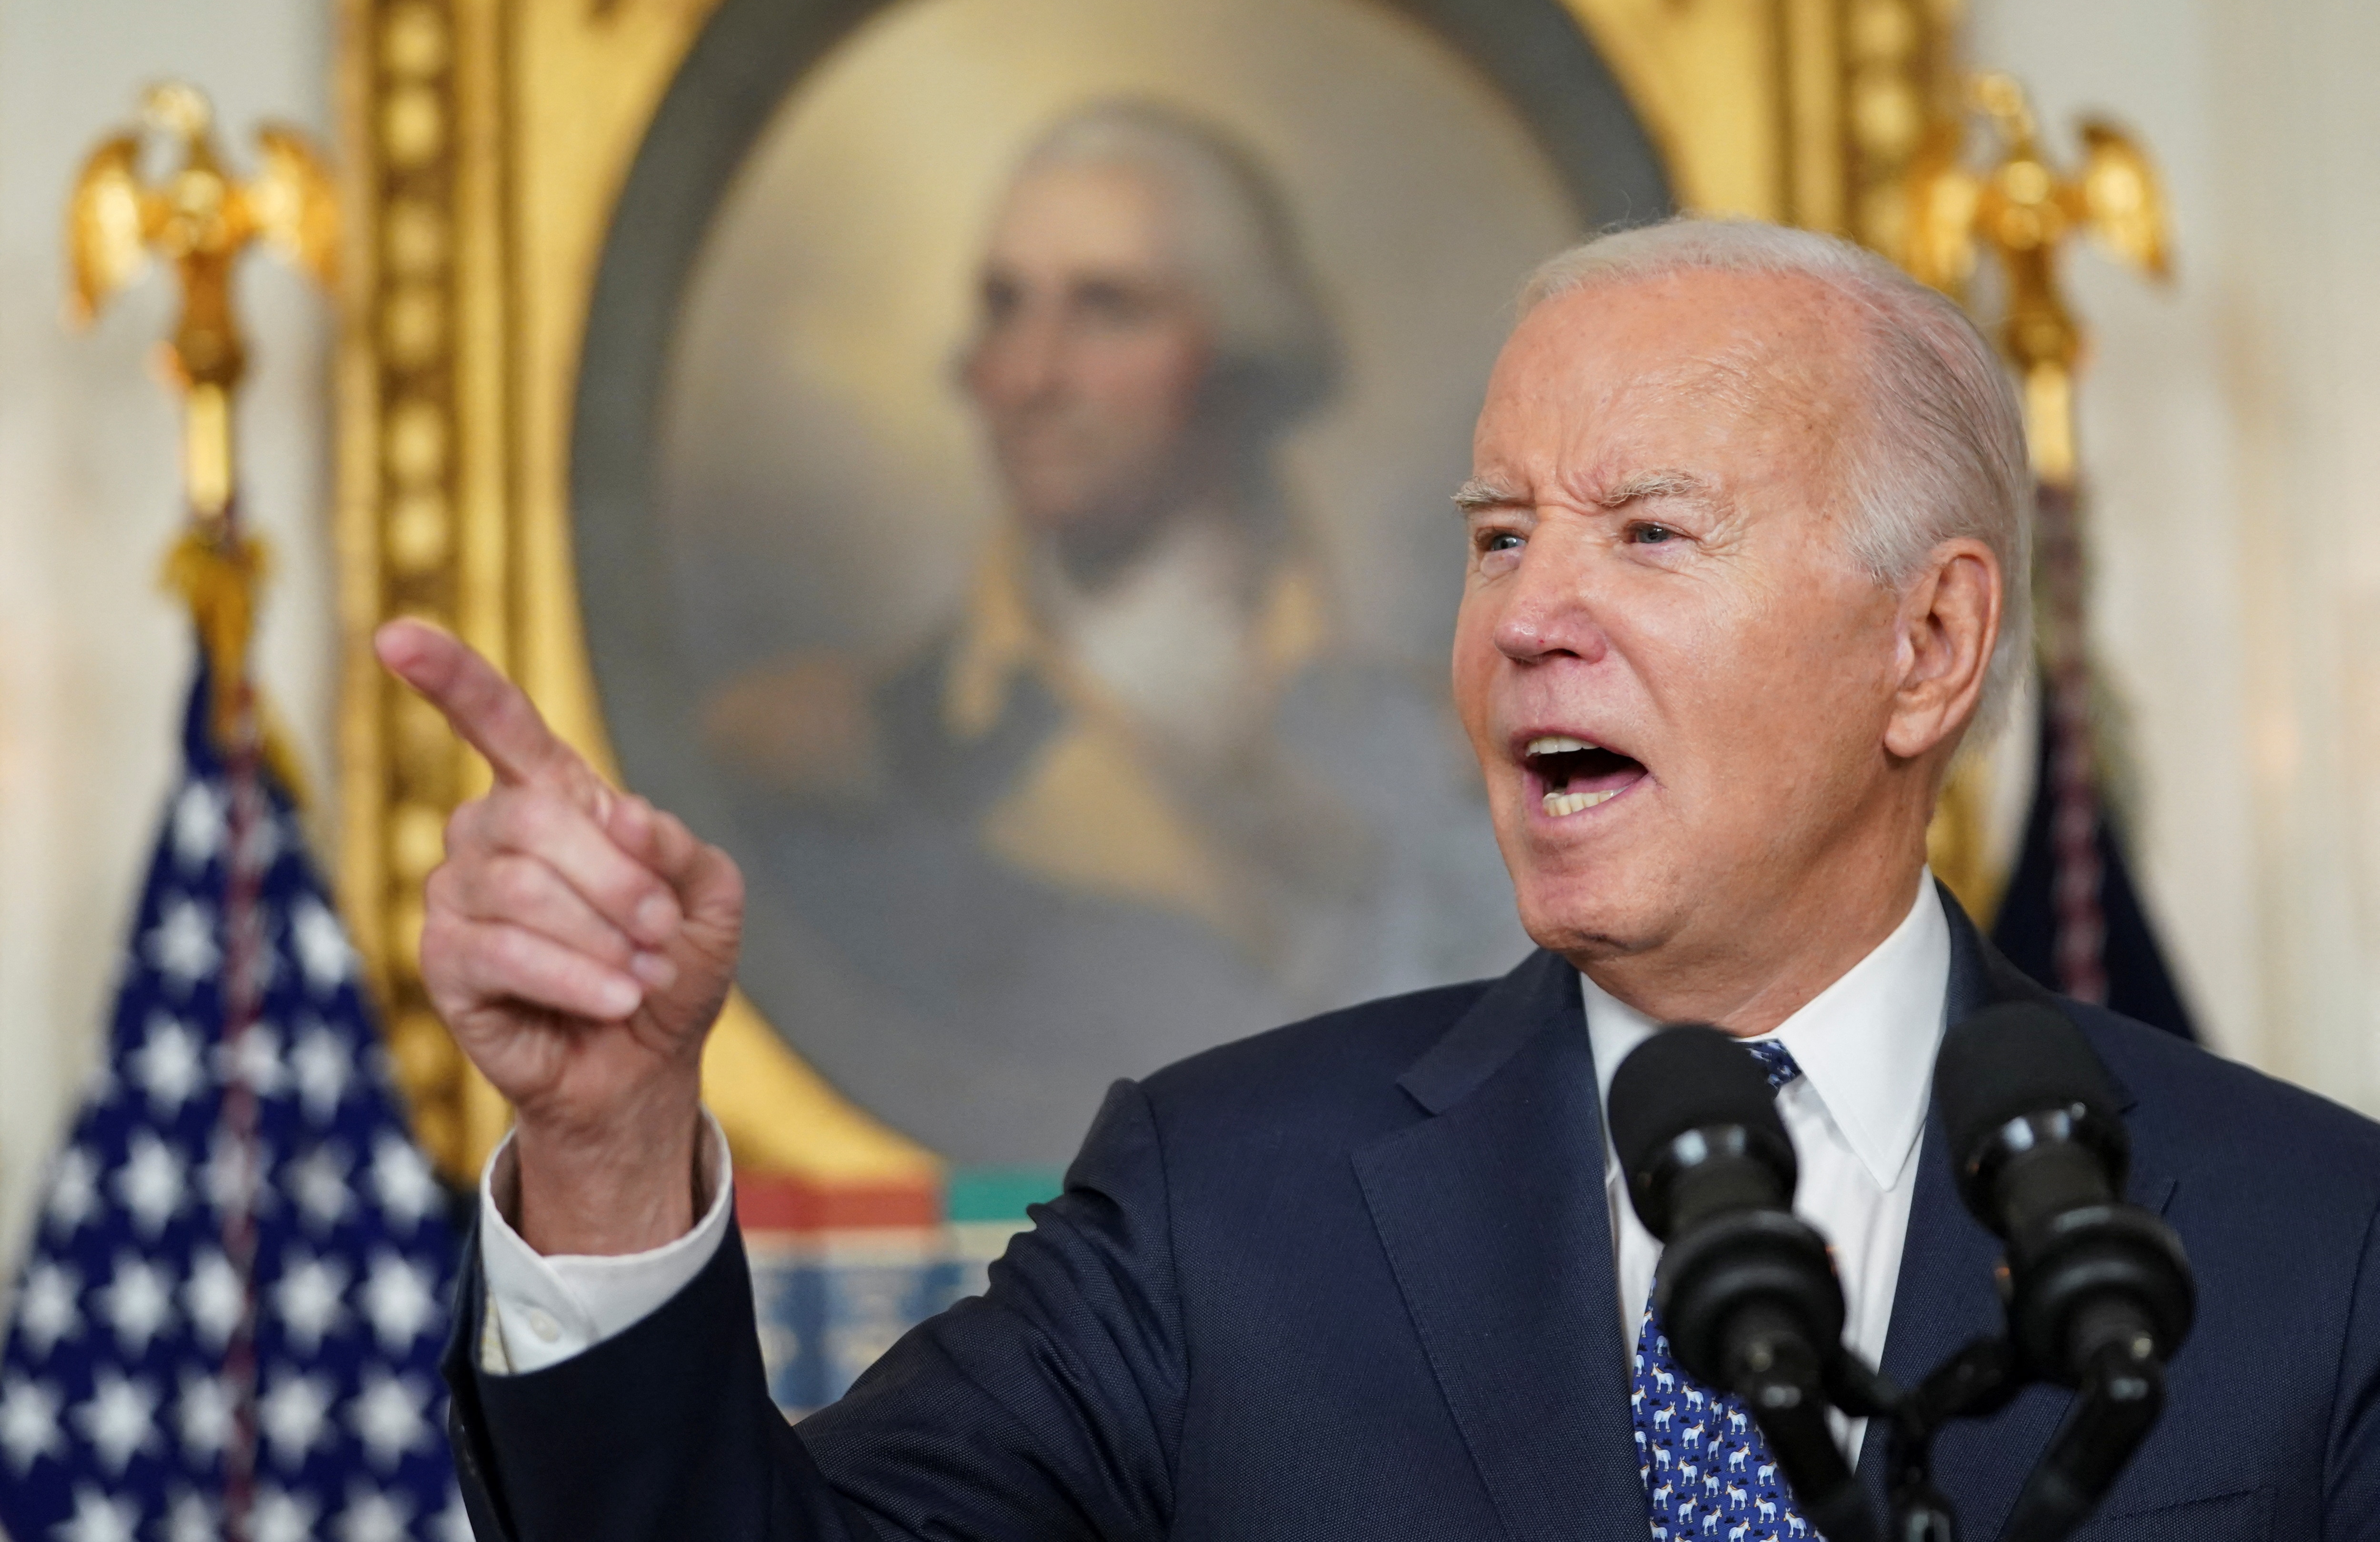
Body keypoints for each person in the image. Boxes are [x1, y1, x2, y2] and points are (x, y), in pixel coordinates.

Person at [384, 218, 2380, 1542]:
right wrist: (620, 1139)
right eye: (1497, 534)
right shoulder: (1216, 1207)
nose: (1530, 616)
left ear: (1927, 648)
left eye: (1648, 533)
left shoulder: (2317, 1235)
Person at [692, 101, 1520, 1165]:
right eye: (1004, 308)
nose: (1032, 376)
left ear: (1237, 355)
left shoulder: (1446, 752)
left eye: (1108, 309)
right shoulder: (823, 757)